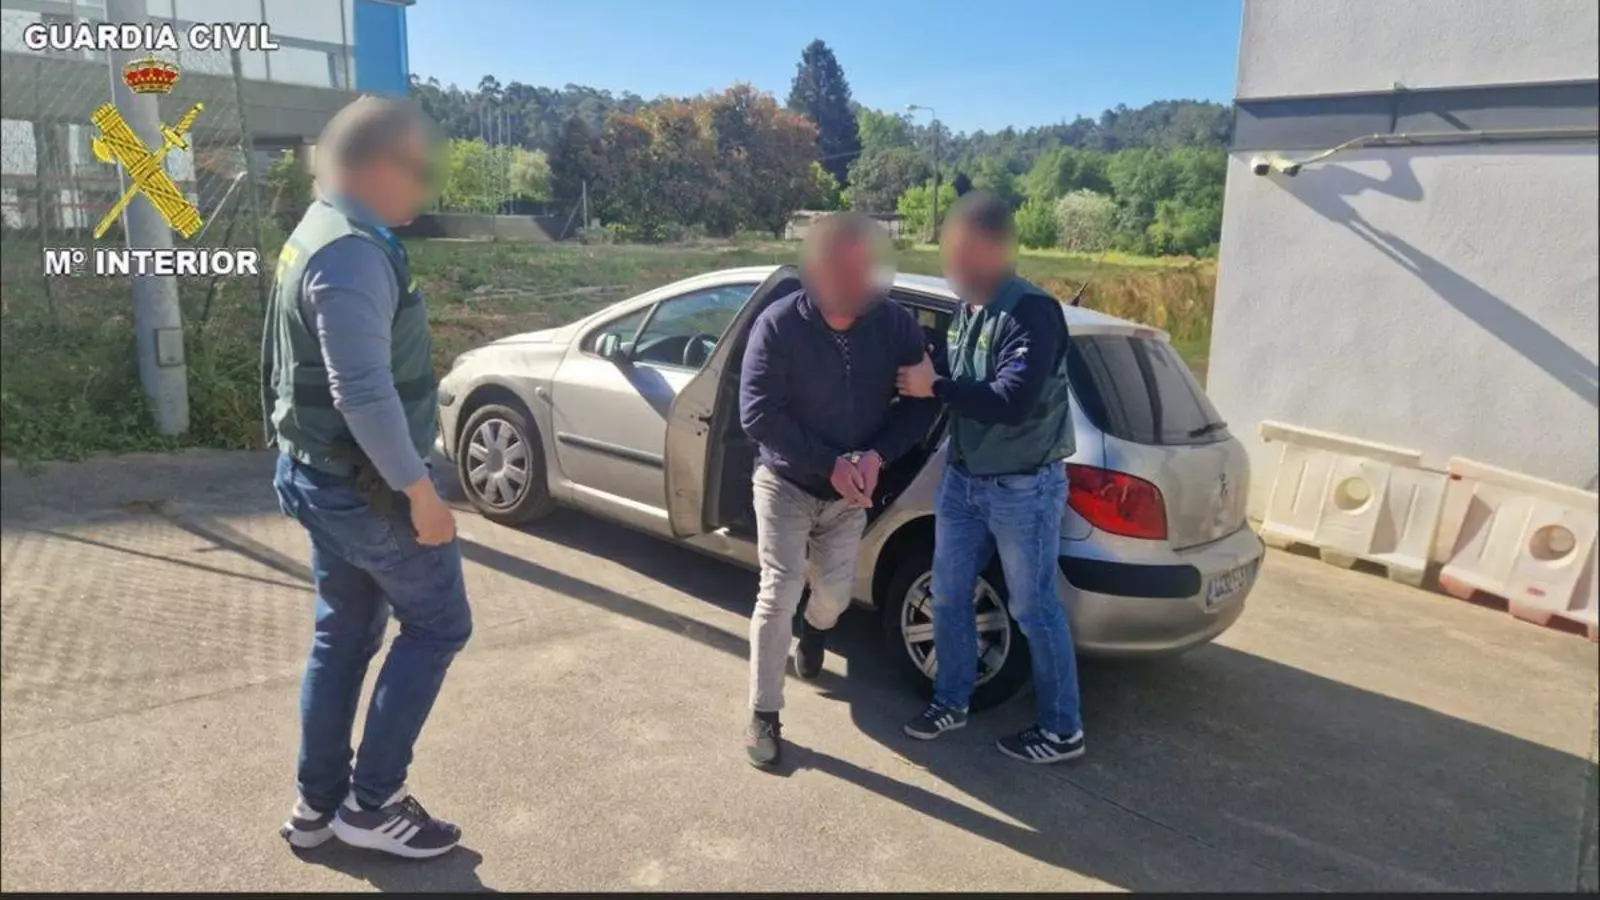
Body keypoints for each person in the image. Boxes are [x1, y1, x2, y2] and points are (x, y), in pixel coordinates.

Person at [264, 96, 469, 857]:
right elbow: (361, 391)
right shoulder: (349, 253)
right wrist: (422, 494)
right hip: (367, 489)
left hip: (323, 476)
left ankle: (317, 807)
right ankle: (372, 805)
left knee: (344, 636)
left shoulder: (320, 230)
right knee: (441, 625)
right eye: (421, 171)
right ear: (378, 167)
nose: (429, 187)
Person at [739, 212, 939, 768]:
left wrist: (876, 457)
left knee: (832, 596)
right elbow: (757, 414)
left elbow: (922, 404)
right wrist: (827, 464)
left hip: (851, 494)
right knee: (778, 590)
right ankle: (763, 714)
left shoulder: (894, 325)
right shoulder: (779, 325)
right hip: (785, 483)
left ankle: (815, 630)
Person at [894, 191, 1086, 765]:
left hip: (1023, 489)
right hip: (964, 479)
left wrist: (935, 386)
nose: (950, 265)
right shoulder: (968, 307)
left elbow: (1012, 401)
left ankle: (1063, 730)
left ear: (991, 249)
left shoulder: (1032, 312)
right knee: (949, 592)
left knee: (1033, 609)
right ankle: (951, 701)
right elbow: (961, 373)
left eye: (959, 253)